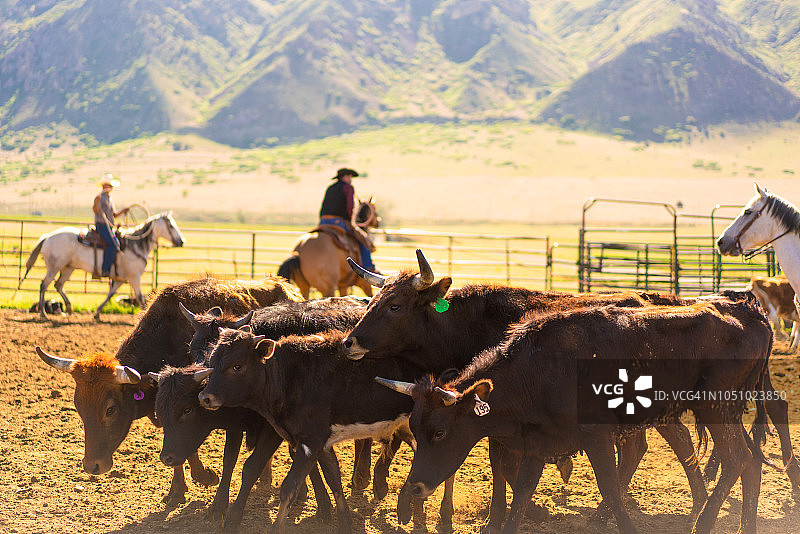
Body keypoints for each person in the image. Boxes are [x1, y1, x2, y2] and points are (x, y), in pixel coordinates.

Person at [319, 168, 375, 270]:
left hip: (323, 222)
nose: (351, 179)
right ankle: (368, 267)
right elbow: (350, 207)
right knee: (363, 239)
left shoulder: (330, 188)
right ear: (344, 177)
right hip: (338, 222)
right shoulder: (348, 188)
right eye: (349, 177)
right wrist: (350, 221)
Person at [93, 174, 129, 277]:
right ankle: (105, 269)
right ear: (104, 186)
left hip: (108, 226)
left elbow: (114, 215)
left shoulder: (109, 198)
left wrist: (123, 211)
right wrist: (95, 203)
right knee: (113, 244)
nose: (111, 187)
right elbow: (96, 211)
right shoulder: (99, 198)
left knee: (116, 242)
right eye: (109, 185)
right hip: (102, 225)